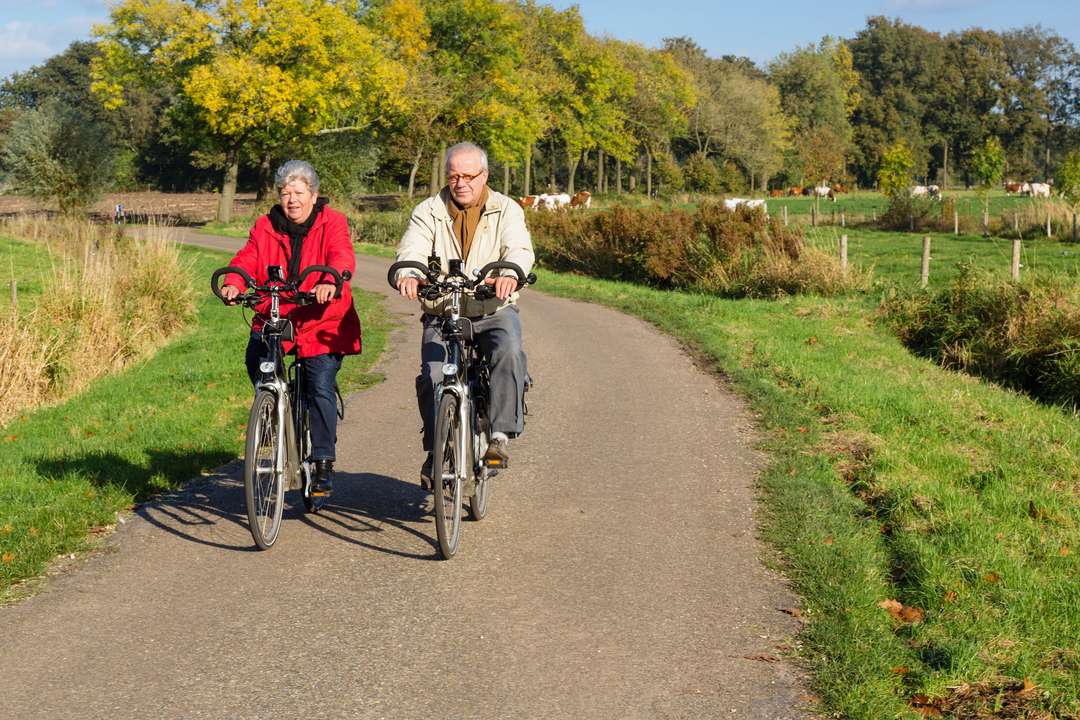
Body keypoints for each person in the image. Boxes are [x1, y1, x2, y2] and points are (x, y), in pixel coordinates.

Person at [394, 141, 534, 488]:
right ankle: (436, 450)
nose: (461, 183)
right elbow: (411, 248)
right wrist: (407, 273)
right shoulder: (428, 210)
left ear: (484, 176)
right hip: (444, 310)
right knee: (431, 375)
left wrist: (510, 272)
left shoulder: (507, 209)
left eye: (469, 176)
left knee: (509, 352)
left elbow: (519, 247)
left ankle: (500, 435)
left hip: (491, 308)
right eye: (454, 176)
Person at [220, 160, 362, 497]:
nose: (291, 200)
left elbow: (341, 256)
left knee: (319, 384)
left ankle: (324, 461)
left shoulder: (333, 222)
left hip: (322, 317)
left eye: (298, 193)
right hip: (279, 312)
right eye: (285, 193)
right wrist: (234, 282)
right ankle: (271, 412)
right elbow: (248, 257)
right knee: (256, 356)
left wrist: (330, 280)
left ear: (313, 195)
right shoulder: (266, 225)